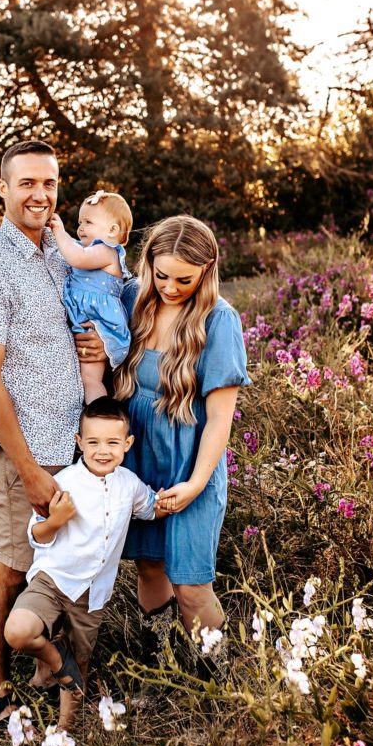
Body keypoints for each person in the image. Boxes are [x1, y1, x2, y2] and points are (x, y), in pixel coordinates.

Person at [0, 139, 105, 724]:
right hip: (24, 450)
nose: (40, 194)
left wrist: (94, 345)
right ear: (2, 188)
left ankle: (51, 667)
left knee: (59, 563)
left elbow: (74, 325)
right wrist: (29, 469)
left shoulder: (60, 255)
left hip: (69, 437)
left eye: (49, 183)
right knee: (15, 565)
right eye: (27, 183)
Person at [114, 215, 250, 649]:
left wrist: (194, 483)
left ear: (207, 270)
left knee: (191, 584)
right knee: (149, 566)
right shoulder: (132, 298)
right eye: (162, 275)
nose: (171, 288)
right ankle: (163, 661)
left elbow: (220, 419)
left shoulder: (218, 320)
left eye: (185, 279)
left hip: (191, 464)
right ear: (148, 264)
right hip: (138, 459)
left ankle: (215, 675)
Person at [4, 397, 165, 729]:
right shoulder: (65, 482)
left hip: (92, 594)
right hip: (53, 580)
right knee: (18, 632)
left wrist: (186, 493)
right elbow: (36, 534)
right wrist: (56, 519)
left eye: (112, 442)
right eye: (92, 442)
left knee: (81, 668)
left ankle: (64, 732)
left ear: (127, 444)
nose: (102, 450)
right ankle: (55, 658)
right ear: (79, 443)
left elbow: (152, 507)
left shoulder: (129, 484)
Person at [49, 190, 133, 403]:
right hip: (85, 318)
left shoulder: (107, 250)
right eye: (79, 222)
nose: (80, 228)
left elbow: (76, 258)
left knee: (91, 379)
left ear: (113, 230)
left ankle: (99, 413)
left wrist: (59, 231)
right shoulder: (85, 247)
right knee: (83, 377)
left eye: (88, 222)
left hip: (99, 322)